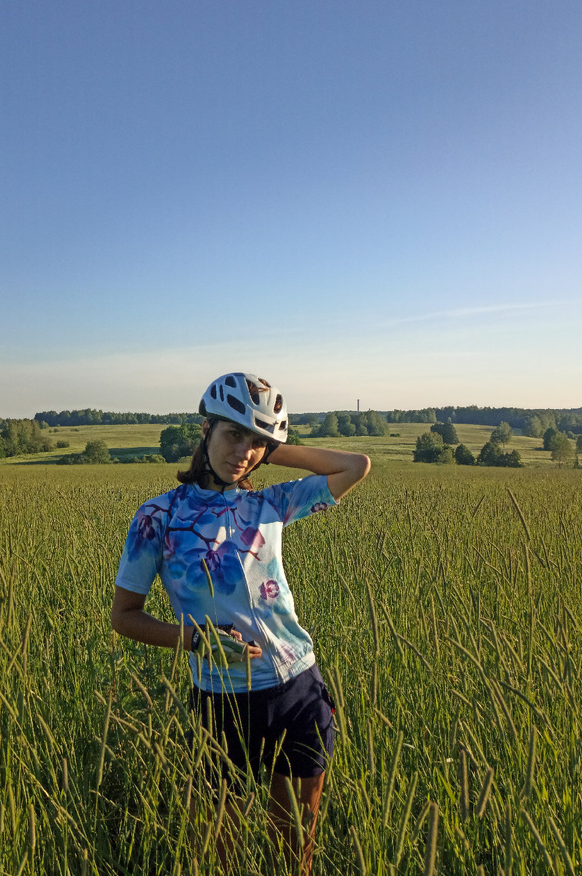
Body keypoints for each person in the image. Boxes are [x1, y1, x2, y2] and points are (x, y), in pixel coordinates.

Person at [110, 372, 370, 874]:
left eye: (257, 444)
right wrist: (192, 639)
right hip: (220, 700)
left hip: (297, 688)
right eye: (233, 435)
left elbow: (354, 466)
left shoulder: (268, 503)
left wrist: (272, 449)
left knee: (293, 851)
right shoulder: (157, 518)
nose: (243, 453)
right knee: (214, 852)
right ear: (205, 430)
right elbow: (124, 616)